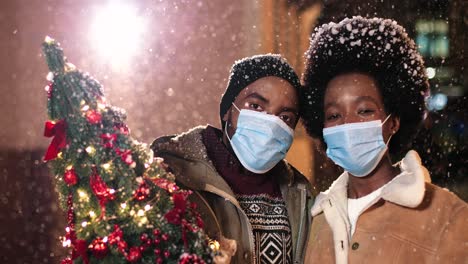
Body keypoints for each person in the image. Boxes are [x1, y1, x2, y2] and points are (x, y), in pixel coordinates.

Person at [301, 16, 468, 263]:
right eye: (334, 115)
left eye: (365, 110)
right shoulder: (315, 218)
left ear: (393, 122)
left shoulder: (448, 217)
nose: (347, 125)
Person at [151, 54, 313, 263]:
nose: (270, 125)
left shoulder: (300, 194)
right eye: (255, 106)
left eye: (285, 118)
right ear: (228, 110)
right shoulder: (172, 176)